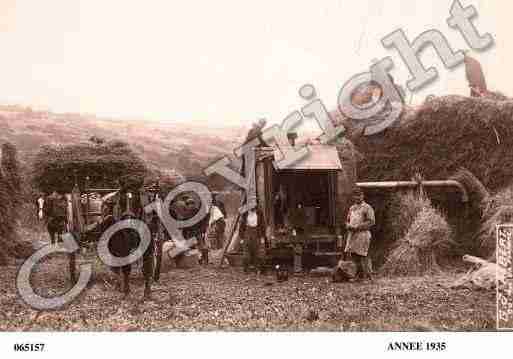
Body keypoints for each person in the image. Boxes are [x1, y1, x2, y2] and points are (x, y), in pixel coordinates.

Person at [344, 188, 375, 282]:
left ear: (363, 196)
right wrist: (348, 225)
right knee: (354, 255)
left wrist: (357, 227)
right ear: (353, 197)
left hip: (363, 234)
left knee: (363, 255)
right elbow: (347, 220)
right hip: (352, 234)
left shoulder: (367, 208)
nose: (357, 197)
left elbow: (371, 221)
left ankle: (368, 276)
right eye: (355, 195)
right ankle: (359, 275)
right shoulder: (352, 208)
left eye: (359, 195)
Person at [240, 207, 266, 273]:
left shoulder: (259, 212)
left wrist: (263, 237)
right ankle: (246, 269)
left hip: (257, 232)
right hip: (247, 232)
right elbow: (242, 226)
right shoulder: (245, 212)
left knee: (257, 252)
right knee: (246, 253)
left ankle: (258, 269)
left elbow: (262, 225)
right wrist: (242, 237)